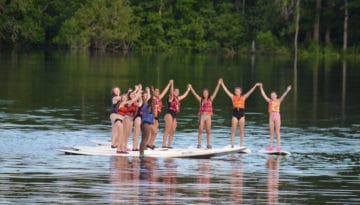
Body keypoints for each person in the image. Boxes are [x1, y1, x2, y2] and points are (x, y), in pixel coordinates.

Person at [221, 81, 260, 148]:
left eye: (238, 91)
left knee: (242, 131)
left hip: (242, 114)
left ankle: (241, 145)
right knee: (233, 130)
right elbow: (226, 90)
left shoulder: (243, 97)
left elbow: (250, 92)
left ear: (240, 92)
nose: (237, 92)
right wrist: (222, 84)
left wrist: (255, 85)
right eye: (236, 91)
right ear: (235, 92)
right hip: (235, 113)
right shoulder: (233, 97)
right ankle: (232, 145)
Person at [189, 79, 222, 149]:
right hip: (202, 116)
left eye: (206, 93)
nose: (205, 94)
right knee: (200, 129)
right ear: (203, 94)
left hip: (208, 116)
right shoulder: (201, 99)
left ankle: (208, 144)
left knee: (208, 130)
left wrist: (219, 84)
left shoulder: (211, 99)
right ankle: (199, 144)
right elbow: (195, 94)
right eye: (204, 93)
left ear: (208, 93)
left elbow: (216, 91)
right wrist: (191, 88)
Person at [259, 84, 292, 151]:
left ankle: (278, 147)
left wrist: (287, 90)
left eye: (274, 95)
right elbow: (263, 95)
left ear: (276, 96)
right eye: (271, 96)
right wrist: (261, 87)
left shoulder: (279, 100)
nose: (272, 96)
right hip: (271, 117)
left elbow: (284, 95)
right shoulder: (269, 101)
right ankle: (270, 147)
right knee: (271, 132)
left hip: (277, 116)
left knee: (277, 132)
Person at [162, 83, 191, 148]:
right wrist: (172, 84)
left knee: (173, 131)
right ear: (173, 92)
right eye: (175, 91)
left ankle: (169, 145)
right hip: (169, 114)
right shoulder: (171, 97)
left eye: (178, 91)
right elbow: (171, 92)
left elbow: (184, 95)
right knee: (167, 129)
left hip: (174, 116)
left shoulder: (177, 98)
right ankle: (163, 145)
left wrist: (188, 89)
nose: (177, 92)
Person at [147, 80, 173, 149]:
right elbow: (150, 98)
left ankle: (151, 143)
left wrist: (169, 84)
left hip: (157, 116)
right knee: (152, 131)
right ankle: (148, 143)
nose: (157, 92)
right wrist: (151, 91)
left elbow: (165, 91)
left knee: (155, 131)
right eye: (156, 91)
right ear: (154, 92)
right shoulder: (152, 98)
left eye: (158, 91)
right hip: (152, 116)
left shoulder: (159, 97)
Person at [123, 85, 142, 152]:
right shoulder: (129, 101)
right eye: (131, 94)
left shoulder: (135, 102)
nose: (133, 95)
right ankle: (123, 146)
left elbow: (140, 104)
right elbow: (135, 98)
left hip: (131, 118)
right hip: (127, 117)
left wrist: (139, 96)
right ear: (129, 96)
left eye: (133, 94)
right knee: (126, 133)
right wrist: (138, 90)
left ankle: (125, 146)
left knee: (128, 133)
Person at [133, 87, 151, 151]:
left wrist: (148, 90)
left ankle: (143, 146)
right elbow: (136, 95)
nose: (146, 97)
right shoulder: (140, 101)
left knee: (144, 134)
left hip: (143, 119)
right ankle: (134, 147)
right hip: (138, 117)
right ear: (142, 96)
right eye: (144, 96)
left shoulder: (147, 103)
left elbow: (149, 97)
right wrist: (139, 89)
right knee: (137, 133)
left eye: (146, 96)